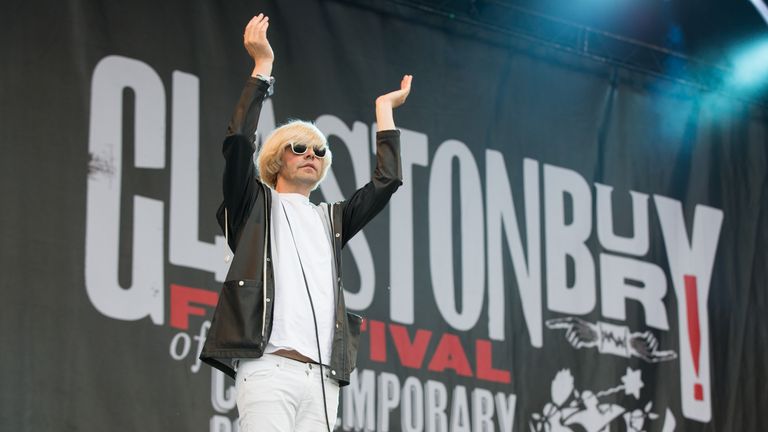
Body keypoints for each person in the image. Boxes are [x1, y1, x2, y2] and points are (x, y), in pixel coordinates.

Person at [199, 14, 412, 432]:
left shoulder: (330, 219)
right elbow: (240, 142)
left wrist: (384, 111)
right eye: (299, 148)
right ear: (278, 158)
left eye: (319, 150)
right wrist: (262, 68)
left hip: (321, 378)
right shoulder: (254, 205)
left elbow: (387, 183)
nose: (311, 154)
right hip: (268, 368)